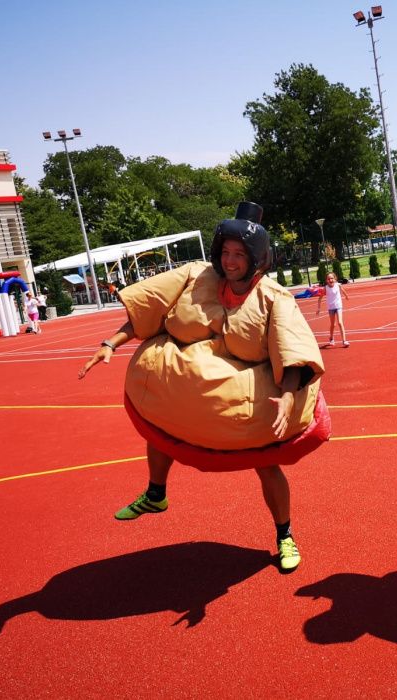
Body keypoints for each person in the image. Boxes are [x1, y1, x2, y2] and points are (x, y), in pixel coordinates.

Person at [78, 202, 325, 572]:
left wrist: (288, 397)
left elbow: (292, 349)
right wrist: (110, 343)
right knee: (161, 416)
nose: (230, 261)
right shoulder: (196, 276)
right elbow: (151, 311)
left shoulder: (274, 297)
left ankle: (284, 535)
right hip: (187, 389)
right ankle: (156, 493)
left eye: (239, 254)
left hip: (248, 402)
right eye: (225, 252)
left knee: (267, 467)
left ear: (257, 257)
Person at [316, 272, 350, 348]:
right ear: (326, 280)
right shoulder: (326, 288)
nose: (330, 280)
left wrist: (346, 296)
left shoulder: (338, 285)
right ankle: (331, 338)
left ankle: (344, 341)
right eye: (328, 279)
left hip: (338, 306)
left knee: (340, 322)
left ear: (335, 279)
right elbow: (320, 298)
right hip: (331, 308)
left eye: (332, 278)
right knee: (333, 325)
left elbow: (343, 290)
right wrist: (318, 308)